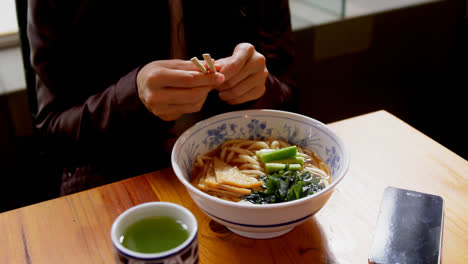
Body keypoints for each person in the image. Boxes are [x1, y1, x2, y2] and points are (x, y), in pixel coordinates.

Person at [27, 0, 296, 195]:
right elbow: (52, 132)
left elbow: (287, 90)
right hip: (115, 171)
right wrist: (131, 98)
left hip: (236, 163)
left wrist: (258, 87)